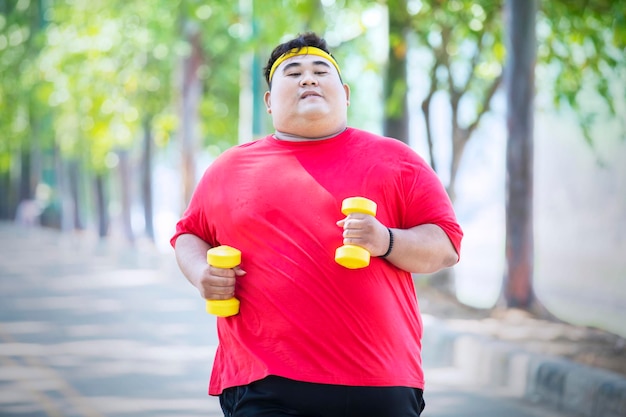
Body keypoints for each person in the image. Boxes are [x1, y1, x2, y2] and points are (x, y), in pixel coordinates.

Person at [171, 32, 463, 417]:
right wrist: (201, 273)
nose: (308, 78)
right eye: (292, 73)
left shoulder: (396, 160)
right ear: (269, 102)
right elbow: (188, 235)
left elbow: (445, 246)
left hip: (380, 381)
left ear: (345, 93)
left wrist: (385, 240)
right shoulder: (229, 168)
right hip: (264, 382)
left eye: (319, 70)